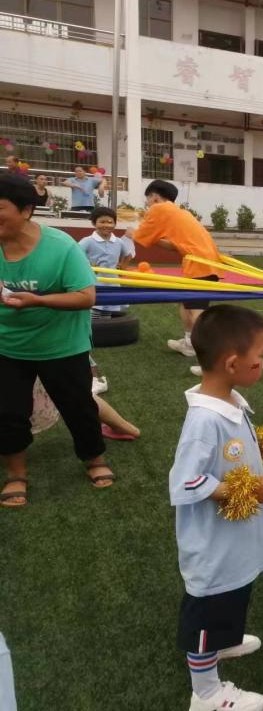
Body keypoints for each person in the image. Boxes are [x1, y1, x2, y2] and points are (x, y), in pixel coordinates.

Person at [169, 305, 263, 711]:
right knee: (207, 612)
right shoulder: (203, 421)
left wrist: (262, 441)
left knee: (235, 592)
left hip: (234, 539)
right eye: (260, 356)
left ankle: (226, 639)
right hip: (213, 546)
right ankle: (206, 693)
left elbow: (232, 454)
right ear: (233, 363)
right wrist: (248, 489)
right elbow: (186, 481)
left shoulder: (232, 401)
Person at [0, 174, 114, 508]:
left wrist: (36, 300)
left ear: (26, 210)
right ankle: (16, 474)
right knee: (7, 412)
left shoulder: (61, 246)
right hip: (8, 346)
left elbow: (85, 296)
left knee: (78, 406)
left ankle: (94, 459)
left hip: (62, 345)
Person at [132, 180, 223, 369]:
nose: (148, 205)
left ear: (154, 196)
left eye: (148, 199)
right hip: (204, 262)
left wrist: (131, 233)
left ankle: (210, 360)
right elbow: (175, 246)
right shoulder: (179, 213)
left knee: (197, 310)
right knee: (185, 303)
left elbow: (141, 238)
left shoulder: (160, 209)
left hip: (200, 264)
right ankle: (190, 344)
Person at [79, 206, 135, 317]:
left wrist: (122, 268)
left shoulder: (118, 242)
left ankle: (104, 332)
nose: (106, 225)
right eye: (102, 222)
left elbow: (128, 255)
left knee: (108, 312)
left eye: (110, 222)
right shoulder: (88, 241)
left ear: (115, 224)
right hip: (94, 283)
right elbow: (75, 254)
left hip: (112, 283)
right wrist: (86, 266)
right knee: (94, 312)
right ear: (94, 223)